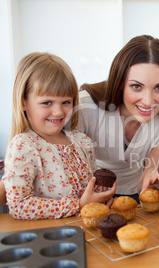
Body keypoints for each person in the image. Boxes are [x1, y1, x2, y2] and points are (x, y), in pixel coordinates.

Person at [2, 52, 115, 220]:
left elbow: (91, 186)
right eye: (47, 103)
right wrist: (79, 205)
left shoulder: (82, 140)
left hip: (88, 231)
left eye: (66, 102)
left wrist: (101, 196)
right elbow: (19, 206)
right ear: (23, 103)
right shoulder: (23, 145)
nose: (58, 111)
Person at [78, 35, 159, 203]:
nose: (148, 101)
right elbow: (71, 170)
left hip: (133, 192)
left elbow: (149, 174)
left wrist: (157, 182)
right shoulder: (84, 107)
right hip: (85, 193)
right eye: (136, 86)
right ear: (119, 82)